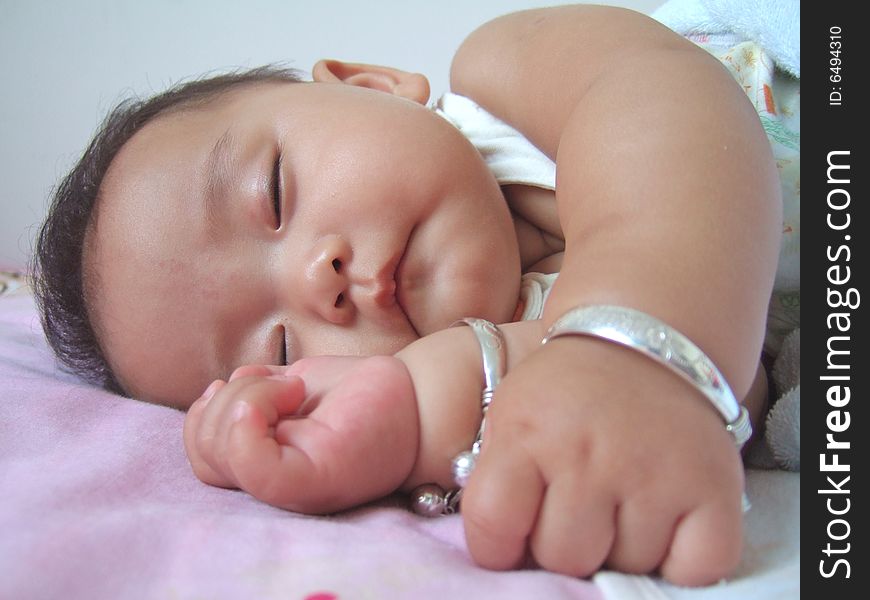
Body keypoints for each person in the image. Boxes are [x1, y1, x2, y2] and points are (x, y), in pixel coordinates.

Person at [32, 4, 788, 587]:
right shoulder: (540, 367)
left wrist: (633, 352)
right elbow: (734, 388)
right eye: (283, 348)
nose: (314, 280)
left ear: (373, 86)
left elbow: (667, 97)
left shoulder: (507, 80)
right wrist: (387, 425)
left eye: (274, 193)